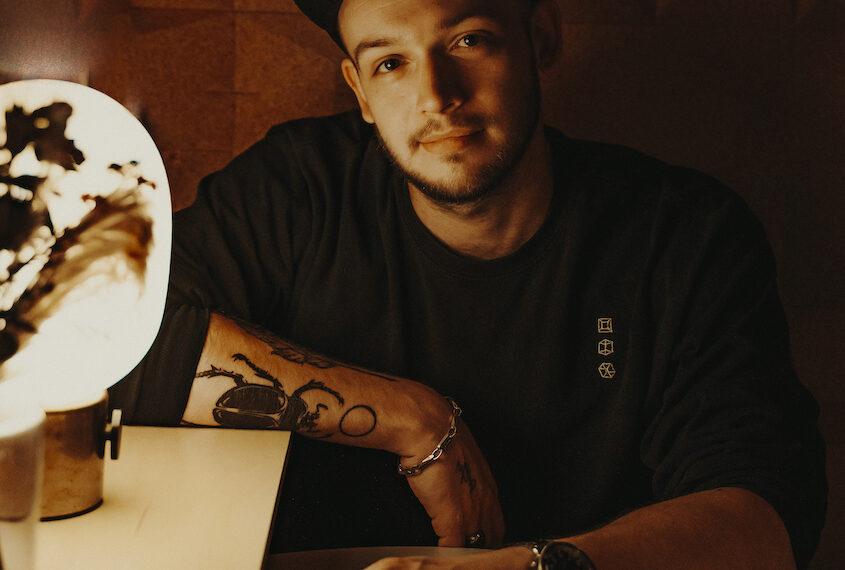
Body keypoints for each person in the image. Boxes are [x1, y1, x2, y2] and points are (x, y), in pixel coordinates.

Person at [111, 0, 827, 568]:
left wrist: (527, 568)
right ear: (359, 91)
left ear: (539, 38)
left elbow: (763, 518)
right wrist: (414, 420)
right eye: (390, 62)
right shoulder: (300, 189)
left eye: (467, 40)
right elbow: (103, 337)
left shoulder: (683, 234)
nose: (436, 96)